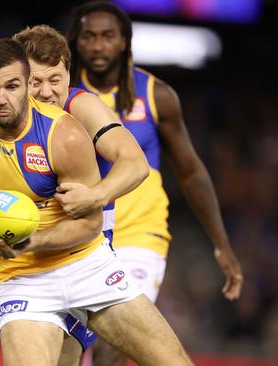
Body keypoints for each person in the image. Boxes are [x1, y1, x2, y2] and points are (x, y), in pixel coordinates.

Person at [0, 37, 192, 366]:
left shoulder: (69, 129)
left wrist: (95, 195)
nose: (3, 98)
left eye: (13, 86)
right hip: (23, 282)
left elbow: (95, 218)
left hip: (87, 265)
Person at [65, 1, 243, 365]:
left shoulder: (156, 95)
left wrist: (221, 244)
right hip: (80, 233)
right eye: (89, 37)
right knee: (66, 348)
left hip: (139, 237)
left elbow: (191, 172)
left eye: (108, 36)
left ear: (125, 42)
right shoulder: (62, 96)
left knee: (115, 346)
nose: (99, 46)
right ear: (76, 42)